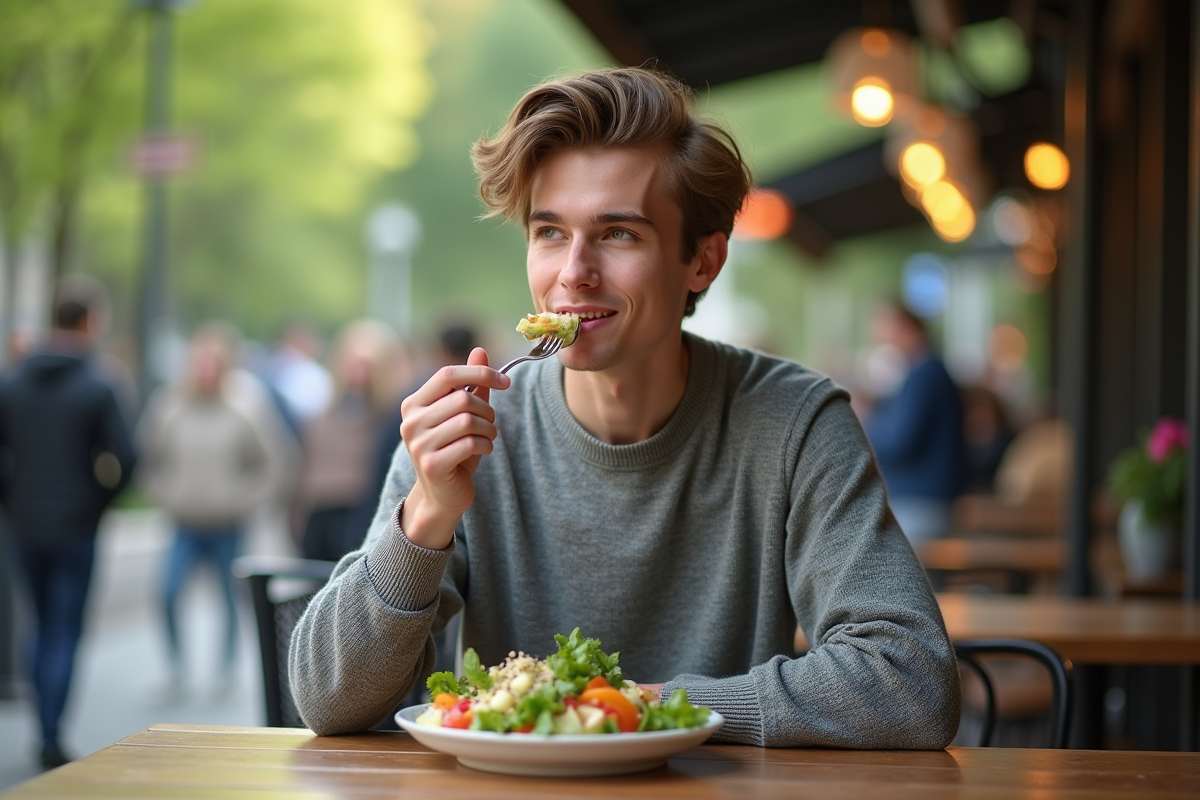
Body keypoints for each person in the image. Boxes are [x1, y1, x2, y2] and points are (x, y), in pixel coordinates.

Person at [289, 67, 960, 748]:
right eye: (550, 232)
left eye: (617, 234)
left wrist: (639, 707)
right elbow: (327, 703)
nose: (572, 273)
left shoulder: (794, 422)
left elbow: (911, 679)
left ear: (702, 261)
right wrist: (425, 518)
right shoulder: (468, 427)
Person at [0, 277, 137, 768]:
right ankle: (51, 732)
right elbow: (126, 456)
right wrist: (97, 501)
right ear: (89, 322)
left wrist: (12, 501)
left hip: (25, 524)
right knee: (63, 629)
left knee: (39, 625)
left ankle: (43, 724)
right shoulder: (99, 383)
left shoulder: (12, 381)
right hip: (76, 526)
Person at [137, 322, 294, 697]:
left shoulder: (247, 406)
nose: (207, 369)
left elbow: (277, 463)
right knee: (168, 592)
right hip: (184, 522)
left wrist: (244, 499)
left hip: (228, 523)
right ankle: (176, 667)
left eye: (214, 362)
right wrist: (168, 494)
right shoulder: (169, 405)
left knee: (229, 598)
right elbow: (147, 460)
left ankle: (224, 670)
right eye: (201, 361)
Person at [295, 320, 400, 562]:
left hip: (361, 513)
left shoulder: (389, 421)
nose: (359, 373)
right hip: (320, 512)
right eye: (353, 364)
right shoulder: (321, 417)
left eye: (367, 365)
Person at [862, 301, 964, 543]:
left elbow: (899, 443)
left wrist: (865, 420)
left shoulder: (925, 374)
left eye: (882, 325)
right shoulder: (925, 371)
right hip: (924, 501)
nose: (877, 335)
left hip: (921, 504)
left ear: (903, 325)